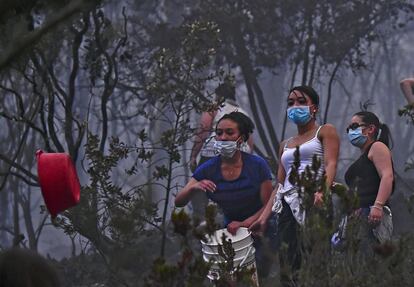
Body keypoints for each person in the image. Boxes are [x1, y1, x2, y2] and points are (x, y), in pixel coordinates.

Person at [250, 85, 340, 286]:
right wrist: (264, 218)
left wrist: (322, 191)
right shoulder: (285, 144)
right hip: (287, 207)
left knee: (317, 258)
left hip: (314, 200)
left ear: (314, 107)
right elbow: (280, 185)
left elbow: (331, 163)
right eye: (291, 103)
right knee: (289, 264)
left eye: (301, 101)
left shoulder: (325, 131)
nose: (295, 106)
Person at [176, 111, 274, 277]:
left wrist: (244, 223)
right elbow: (179, 201)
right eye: (219, 133)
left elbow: (268, 205)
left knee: (258, 272)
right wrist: (194, 187)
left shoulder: (257, 165)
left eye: (229, 133)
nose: (223, 138)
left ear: (241, 138)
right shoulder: (209, 168)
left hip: (261, 225)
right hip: (231, 228)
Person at [189, 82, 253, 221]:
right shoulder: (243, 114)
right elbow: (250, 145)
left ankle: (200, 222)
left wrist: (193, 155)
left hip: (213, 155)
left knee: (199, 188)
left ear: (218, 96)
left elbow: (203, 130)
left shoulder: (215, 108)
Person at [344, 111, 394, 249]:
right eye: (348, 129)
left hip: (372, 215)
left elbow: (387, 176)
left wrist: (377, 206)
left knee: (371, 261)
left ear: (370, 129)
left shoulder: (377, 147)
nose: (350, 131)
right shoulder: (364, 156)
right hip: (358, 215)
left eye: (354, 126)